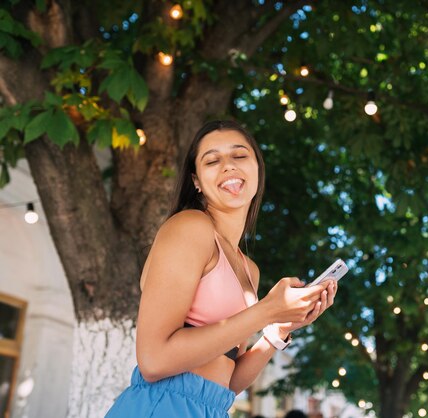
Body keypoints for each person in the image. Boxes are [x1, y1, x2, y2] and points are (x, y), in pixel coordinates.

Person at [105, 120, 337, 417]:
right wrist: (267, 310)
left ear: (257, 170)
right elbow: (153, 362)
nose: (228, 165)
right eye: (212, 160)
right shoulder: (190, 227)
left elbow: (229, 381)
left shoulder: (248, 269)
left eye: (239, 156)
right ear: (197, 181)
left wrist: (278, 329)